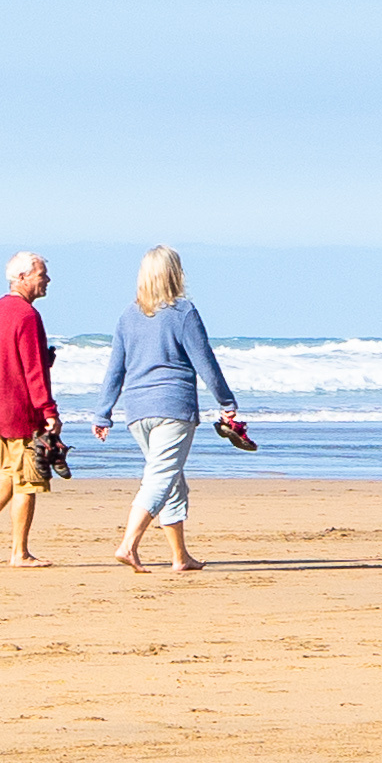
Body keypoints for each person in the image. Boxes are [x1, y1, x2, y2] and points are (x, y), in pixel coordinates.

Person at [89, 244, 247, 572]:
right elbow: (205, 361)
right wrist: (227, 402)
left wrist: (103, 412)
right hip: (173, 408)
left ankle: (180, 556)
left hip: (136, 413)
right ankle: (129, 545)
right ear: (175, 274)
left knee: (172, 478)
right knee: (161, 477)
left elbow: (115, 368)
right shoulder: (183, 312)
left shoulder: (128, 315)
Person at [0, 252, 63, 565]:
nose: (47, 280)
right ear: (22, 277)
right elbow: (32, 370)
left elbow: (5, 358)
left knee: (8, 472)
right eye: (42, 274)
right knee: (28, 481)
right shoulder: (26, 315)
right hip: (20, 408)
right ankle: (19, 552)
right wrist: (49, 411)